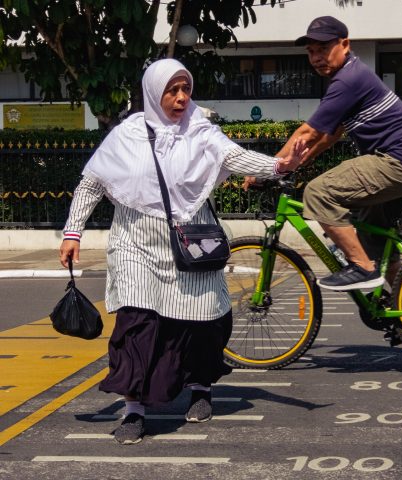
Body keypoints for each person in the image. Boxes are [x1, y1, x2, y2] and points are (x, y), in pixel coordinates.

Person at [59, 58, 307, 445]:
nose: (179, 97)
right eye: (171, 90)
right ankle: (134, 410)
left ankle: (200, 387)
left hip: (191, 240)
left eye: (185, 89)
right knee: (136, 321)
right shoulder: (126, 134)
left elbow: (234, 157)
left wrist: (278, 165)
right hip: (135, 243)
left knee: (201, 324)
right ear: (153, 92)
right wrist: (73, 232)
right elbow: (91, 183)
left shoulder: (201, 131)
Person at [246, 15, 402, 291]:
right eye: (311, 52)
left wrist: (266, 168)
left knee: (318, 193)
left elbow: (307, 133)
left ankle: (362, 267)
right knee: (373, 234)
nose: (316, 58)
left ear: (344, 44)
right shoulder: (350, 77)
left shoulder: (348, 80)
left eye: (323, 49)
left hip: (399, 161)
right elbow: (327, 137)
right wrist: (295, 164)